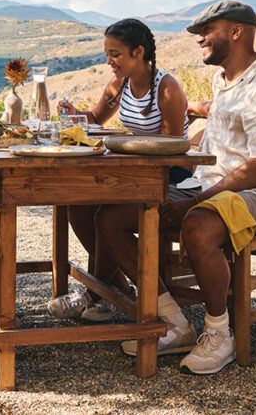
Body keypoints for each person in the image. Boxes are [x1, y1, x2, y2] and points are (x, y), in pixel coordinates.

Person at [94, 0, 256, 375]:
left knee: (198, 225)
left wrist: (196, 201)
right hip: (208, 187)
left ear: (237, 32)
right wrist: (195, 112)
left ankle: (220, 334)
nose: (199, 39)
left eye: (207, 31)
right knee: (110, 217)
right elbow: (224, 118)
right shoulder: (223, 80)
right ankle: (175, 323)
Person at [48, 18, 189, 322]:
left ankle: (98, 292)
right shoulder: (119, 84)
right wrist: (75, 114)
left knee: (105, 213)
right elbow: (96, 117)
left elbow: (173, 148)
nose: (109, 62)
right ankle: (116, 288)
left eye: (115, 54)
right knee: (77, 206)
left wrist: (126, 157)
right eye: (107, 54)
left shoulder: (166, 89)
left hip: (168, 176)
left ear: (138, 52)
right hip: (132, 170)